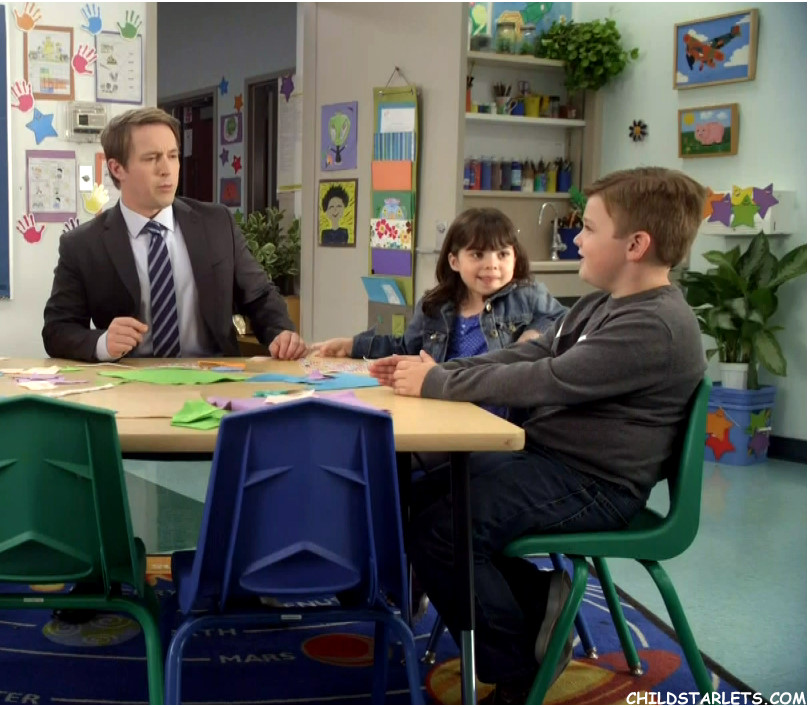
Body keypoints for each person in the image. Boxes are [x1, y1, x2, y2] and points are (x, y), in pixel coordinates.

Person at [371, 167, 708, 702]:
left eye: (589, 229)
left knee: (444, 532)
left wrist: (437, 382)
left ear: (636, 245)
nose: (578, 240)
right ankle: (537, 597)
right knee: (420, 495)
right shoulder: (603, 303)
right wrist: (436, 371)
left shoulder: (656, 325)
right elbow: (529, 354)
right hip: (554, 463)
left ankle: (520, 664)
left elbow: (549, 379)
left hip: (596, 484)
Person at [42, 107, 305, 362]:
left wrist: (280, 333)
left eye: (173, 155)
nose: (166, 169)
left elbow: (259, 296)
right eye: (151, 158)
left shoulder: (216, 223)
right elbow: (57, 329)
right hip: (130, 381)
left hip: (214, 376)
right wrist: (103, 343)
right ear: (117, 168)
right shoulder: (83, 245)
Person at [311, 207, 565, 366]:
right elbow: (405, 348)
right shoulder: (435, 305)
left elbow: (563, 317)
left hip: (500, 414)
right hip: (444, 403)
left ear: (515, 258)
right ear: (454, 261)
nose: (492, 265)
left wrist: (534, 334)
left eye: (502, 255)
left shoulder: (527, 295)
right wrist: (351, 345)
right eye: (477, 255)